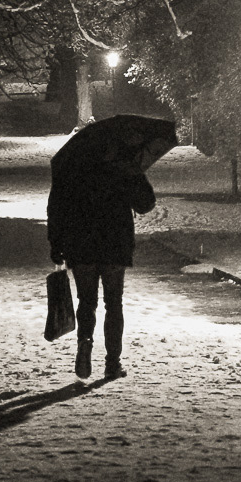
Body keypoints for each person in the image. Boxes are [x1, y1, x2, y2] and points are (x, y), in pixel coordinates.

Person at [47, 140, 156, 380]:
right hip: (115, 243)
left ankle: (85, 343)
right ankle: (112, 363)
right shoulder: (122, 166)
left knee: (87, 301)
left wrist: (56, 243)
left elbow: (56, 208)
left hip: (81, 243)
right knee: (113, 303)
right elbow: (145, 204)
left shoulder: (72, 168)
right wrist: (136, 173)